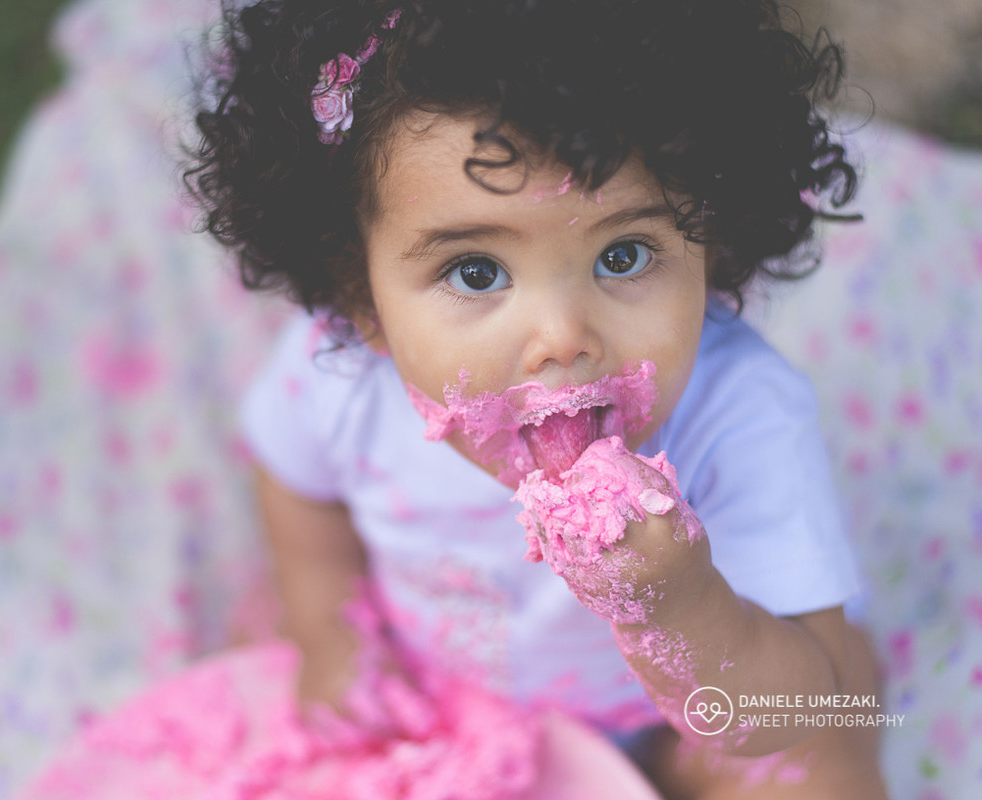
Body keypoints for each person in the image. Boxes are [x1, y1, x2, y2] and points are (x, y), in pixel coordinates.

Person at [186, 0, 889, 796]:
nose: (563, 337)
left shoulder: (744, 412)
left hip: (709, 710)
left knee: (822, 761)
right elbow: (296, 484)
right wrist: (329, 630)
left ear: (711, 244)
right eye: (476, 271)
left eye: (624, 255)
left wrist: (678, 608)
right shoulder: (334, 377)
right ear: (362, 300)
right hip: (450, 693)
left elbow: (800, 702)